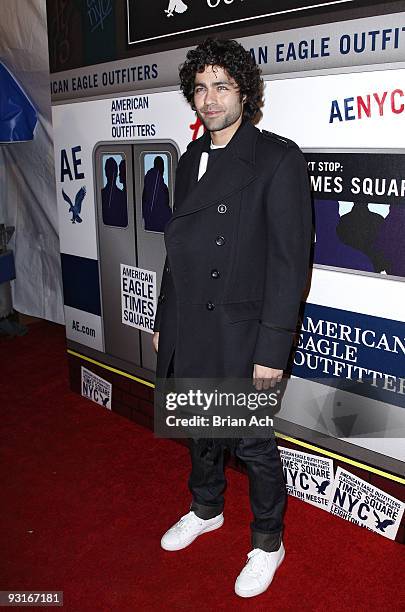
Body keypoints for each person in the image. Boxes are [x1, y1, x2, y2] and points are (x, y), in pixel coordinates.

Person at [152, 38, 312, 598]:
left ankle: (269, 541)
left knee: (251, 443)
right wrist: (161, 320)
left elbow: (290, 265)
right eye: (200, 87)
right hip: (190, 322)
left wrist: (273, 348)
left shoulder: (277, 158)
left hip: (242, 331)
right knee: (199, 427)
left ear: (245, 90)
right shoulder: (189, 159)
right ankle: (207, 507)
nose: (210, 98)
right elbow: (180, 251)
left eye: (222, 85)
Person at [142, 155, 172, 232]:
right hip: (161, 225)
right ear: (162, 168)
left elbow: (143, 200)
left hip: (148, 224)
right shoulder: (164, 188)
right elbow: (166, 205)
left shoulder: (147, 182)